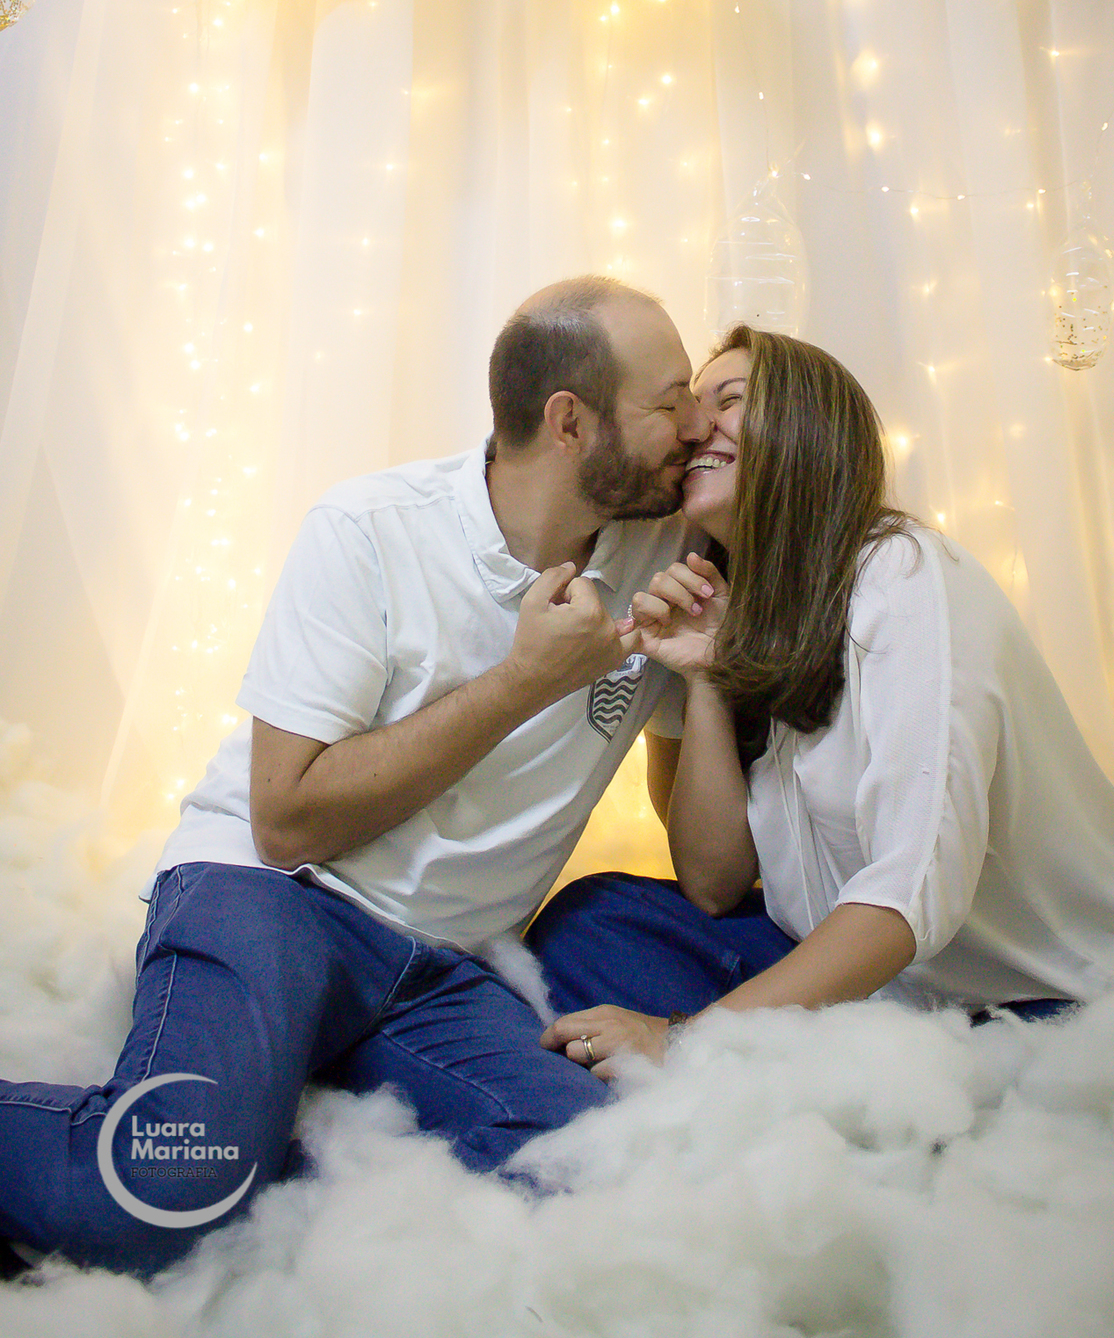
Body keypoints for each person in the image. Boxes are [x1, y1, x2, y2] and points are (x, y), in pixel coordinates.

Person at [0, 277, 711, 1278]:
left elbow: (709, 870)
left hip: (442, 968)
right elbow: (286, 820)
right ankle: (220, 1141)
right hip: (273, 895)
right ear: (569, 423)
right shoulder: (370, 528)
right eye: (670, 402)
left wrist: (715, 676)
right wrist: (525, 682)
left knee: (597, 1179)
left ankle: (263, 1126)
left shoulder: (672, 552)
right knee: (165, 1187)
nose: (695, 425)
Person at [532, 327, 1114, 1076]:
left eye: (730, 400)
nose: (693, 427)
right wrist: (709, 679)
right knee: (594, 920)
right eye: (685, 406)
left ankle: (733, 1061)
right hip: (879, 993)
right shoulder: (740, 607)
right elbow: (713, 888)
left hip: (1044, 1004)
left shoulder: (906, 579)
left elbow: (909, 896)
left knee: (658, 1020)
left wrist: (688, 1044)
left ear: (805, 430)